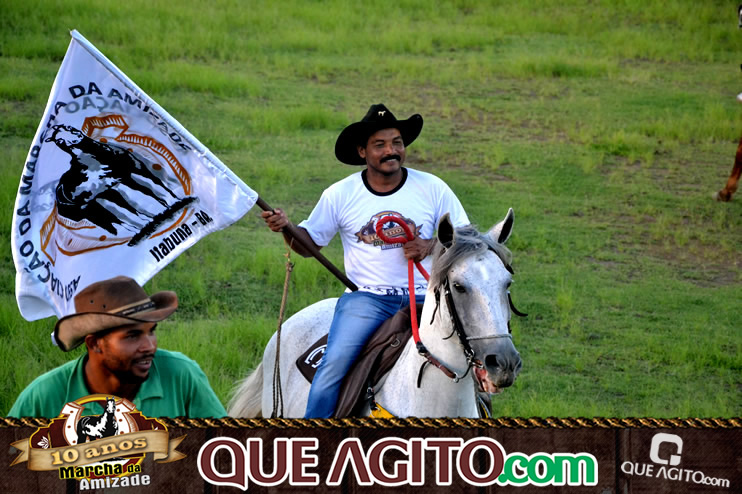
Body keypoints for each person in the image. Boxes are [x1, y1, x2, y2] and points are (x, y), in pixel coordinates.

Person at [262, 103, 470, 417]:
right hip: (368, 298)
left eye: (397, 142)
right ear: (362, 152)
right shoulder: (340, 194)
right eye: (380, 145)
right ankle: (315, 435)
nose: (391, 151)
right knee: (333, 367)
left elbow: (465, 240)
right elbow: (308, 245)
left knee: (477, 349)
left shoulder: (433, 188)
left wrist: (429, 245)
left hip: (428, 296)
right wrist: (286, 228)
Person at [8, 276, 226, 418]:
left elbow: (224, 453)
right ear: (94, 343)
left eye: (151, 331)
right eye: (132, 336)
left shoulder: (181, 375)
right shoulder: (44, 397)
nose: (149, 346)